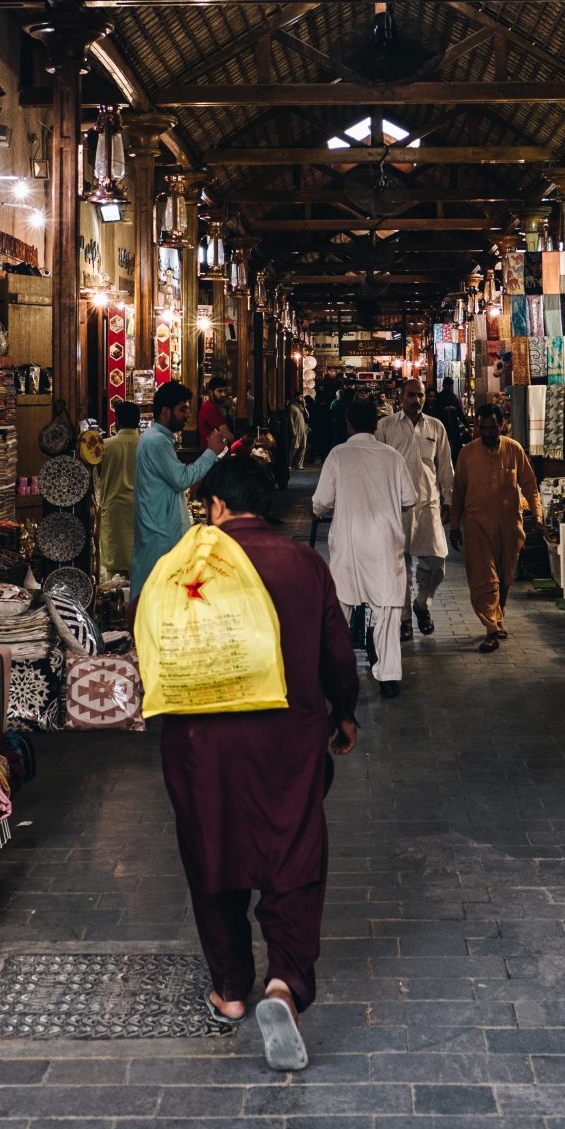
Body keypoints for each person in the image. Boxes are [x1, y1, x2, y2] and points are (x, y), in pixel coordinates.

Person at [159, 454, 359, 1070]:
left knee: (210, 850)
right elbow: (336, 649)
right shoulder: (303, 564)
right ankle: (284, 984)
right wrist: (345, 714)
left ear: (216, 507)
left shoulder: (184, 568)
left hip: (201, 746)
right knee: (293, 851)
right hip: (287, 741)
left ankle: (229, 990)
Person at [312, 397, 417, 697]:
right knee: (386, 608)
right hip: (385, 542)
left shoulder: (338, 455)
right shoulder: (392, 457)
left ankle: (333, 671)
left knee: (341, 604)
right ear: (375, 424)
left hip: (349, 541)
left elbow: (321, 502)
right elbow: (409, 499)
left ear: (348, 423)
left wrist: (318, 510)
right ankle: (387, 676)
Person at [449, 404, 543, 653]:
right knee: (485, 577)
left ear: (502, 425)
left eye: (493, 428)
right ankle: (491, 628)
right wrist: (455, 525)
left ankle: (497, 617)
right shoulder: (467, 454)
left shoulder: (513, 449)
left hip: (509, 526)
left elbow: (530, 485)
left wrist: (538, 514)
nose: (488, 433)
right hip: (477, 526)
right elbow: (458, 492)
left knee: (505, 576)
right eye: (483, 428)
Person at [130, 381, 227, 601]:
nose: (188, 414)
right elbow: (182, 479)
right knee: (157, 596)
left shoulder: (160, 439)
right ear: (165, 411)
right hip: (159, 534)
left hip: (162, 530)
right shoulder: (156, 441)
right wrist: (211, 452)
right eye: (182, 409)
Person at [377, 376, 454, 640]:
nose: (416, 400)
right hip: (396, 507)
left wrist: (449, 501)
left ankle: (422, 604)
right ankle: (404, 619)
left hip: (428, 503)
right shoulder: (385, 427)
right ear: (401, 397)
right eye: (411, 395)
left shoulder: (436, 427)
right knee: (400, 566)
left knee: (436, 563)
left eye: (420, 395)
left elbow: (445, 467)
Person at [100, 398, 140, 577]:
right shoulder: (147, 445)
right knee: (139, 564)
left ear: (118, 421)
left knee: (114, 570)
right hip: (141, 510)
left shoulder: (105, 446)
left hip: (114, 511)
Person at [436, 376, 469, 462]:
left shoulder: (453, 397)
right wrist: (446, 409)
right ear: (444, 385)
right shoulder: (439, 397)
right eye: (448, 386)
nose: (450, 388)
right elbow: (437, 413)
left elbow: (460, 412)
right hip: (445, 426)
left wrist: (467, 425)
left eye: (451, 386)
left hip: (453, 426)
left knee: (456, 449)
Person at [198, 375, 230, 443]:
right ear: (210, 392)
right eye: (220, 391)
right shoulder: (210, 408)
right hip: (214, 452)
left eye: (225, 391)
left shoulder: (212, 407)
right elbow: (228, 437)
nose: (223, 394)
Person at [288, 395, 309, 470]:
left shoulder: (302, 407)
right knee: (294, 447)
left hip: (303, 429)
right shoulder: (292, 406)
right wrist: (293, 430)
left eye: (302, 397)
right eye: (300, 397)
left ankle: (299, 464)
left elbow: (307, 416)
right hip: (296, 429)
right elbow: (291, 419)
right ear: (296, 397)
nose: (302, 398)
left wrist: (304, 406)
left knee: (303, 447)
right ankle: (289, 465)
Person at [327, 382, 351, 449]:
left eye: (340, 395)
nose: (339, 396)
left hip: (342, 422)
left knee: (341, 437)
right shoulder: (335, 402)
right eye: (338, 395)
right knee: (338, 437)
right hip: (337, 422)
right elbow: (331, 412)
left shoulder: (342, 402)